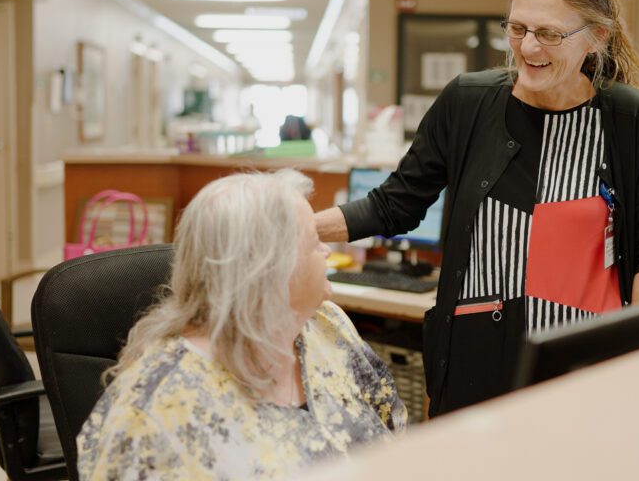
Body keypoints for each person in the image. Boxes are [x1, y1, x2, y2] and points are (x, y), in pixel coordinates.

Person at [316, 0, 639, 416]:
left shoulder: (628, 119)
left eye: (548, 33)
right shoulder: (469, 102)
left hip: (582, 361)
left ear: (597, 37)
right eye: (517, 28)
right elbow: (394, 204)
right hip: (473, 360)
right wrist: (294, 226)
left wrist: (638, 347)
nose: (527, 48)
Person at [78, 170, 407, 481]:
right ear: (269, 271)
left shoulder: (327, 327)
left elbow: (395, 435)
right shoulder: (159, 406)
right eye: (313, 242)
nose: (326, 251)